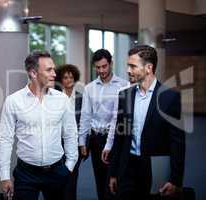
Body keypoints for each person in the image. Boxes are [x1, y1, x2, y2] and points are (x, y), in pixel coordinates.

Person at [0, 51, 78, 200]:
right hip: (26, 174)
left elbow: (70, 133)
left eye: (54, 69)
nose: (54, 74)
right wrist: (4, 176)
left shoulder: (62, 99)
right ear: (33, 73)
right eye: (49, 70)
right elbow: (4, 140)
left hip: (57, 171)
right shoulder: (13, 101)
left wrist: (69, 166)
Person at [109, 45, 186, 200]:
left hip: (154, 169)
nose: (128, 70)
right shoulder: (125, 95)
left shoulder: (169, 97)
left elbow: (177, 142)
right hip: (127, 168)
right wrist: (113, 173)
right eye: (127, 65)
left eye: (133, 66)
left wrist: (175, 180)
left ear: (149, 68)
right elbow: (120, 136)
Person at [78, 49, 129, 200]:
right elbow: (85, 116)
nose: (101, 70)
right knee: (100, 180)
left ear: (111, 63)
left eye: (104, 66)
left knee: (116, 179)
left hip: (117, 138)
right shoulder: (89, 88)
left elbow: (122, 116)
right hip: (97, 139)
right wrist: (82, 142)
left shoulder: (124, 85)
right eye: (98, 67)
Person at [55, 64, 83, 200]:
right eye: (65, 77)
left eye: (71, 77)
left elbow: (85, 121)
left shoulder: (81, 98)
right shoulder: (54, 97)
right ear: (61, 80)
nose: (68, 80)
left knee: (72, 178)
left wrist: (84, 143)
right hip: (57, 144)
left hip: (75, 144)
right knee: (58, 180)